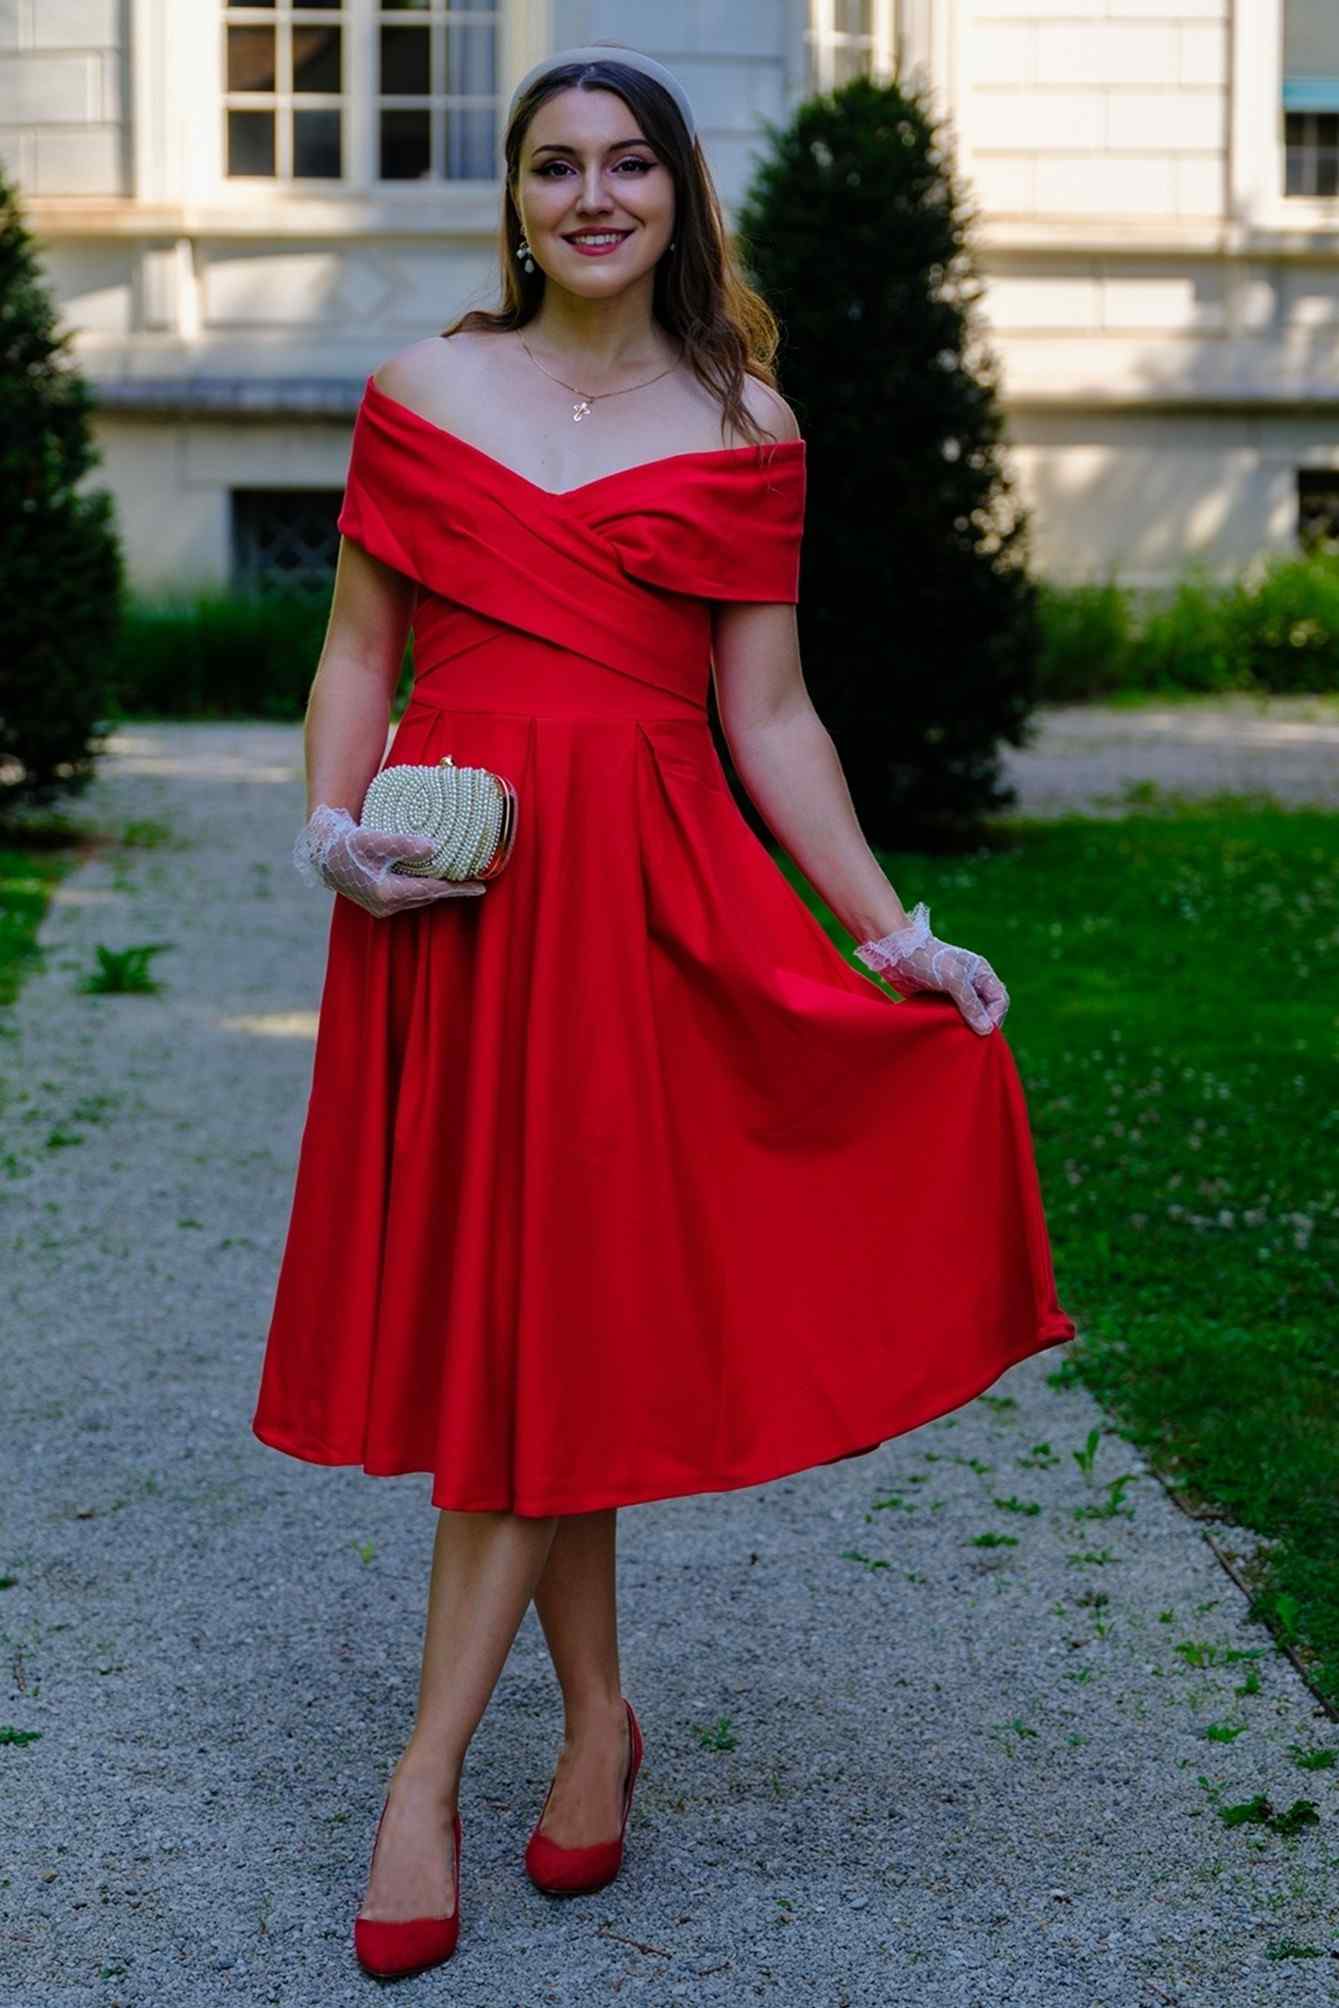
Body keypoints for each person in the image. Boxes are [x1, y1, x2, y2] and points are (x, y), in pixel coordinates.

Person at [249, 42, 1078, 1981]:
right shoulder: (419, 393)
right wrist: (331, 835)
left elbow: (767, 713)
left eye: (630, 165)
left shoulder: (744, 420)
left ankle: (425, 1778)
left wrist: (888, 935)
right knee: (535, 1328)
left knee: (556, 1322)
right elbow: (357, 653)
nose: (594, 197)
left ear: (680, 196)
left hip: (642, 904)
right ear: (516, 200)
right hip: (453, 897)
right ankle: (595, 1725)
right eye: (556, 166)